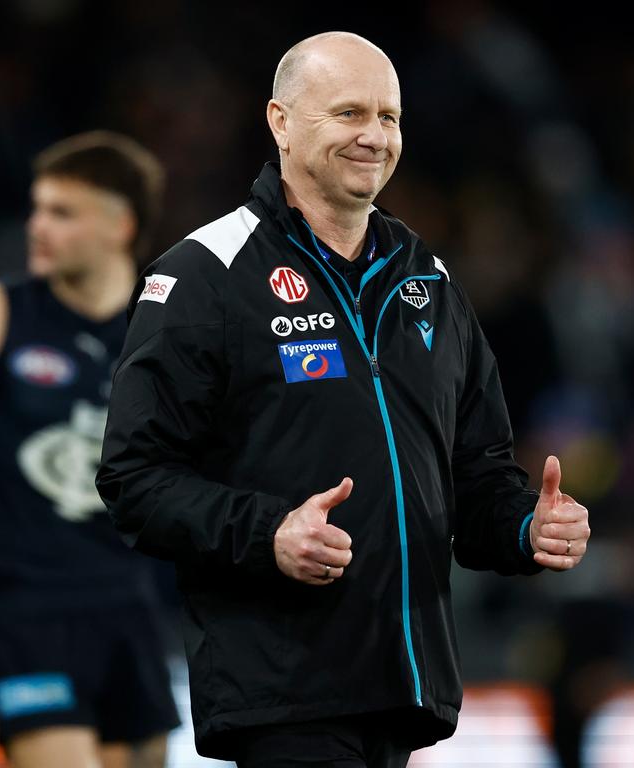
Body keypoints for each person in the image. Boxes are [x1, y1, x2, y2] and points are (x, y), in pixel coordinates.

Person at [97, 31, 591, 767]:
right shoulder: (206, 275)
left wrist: (525, 528)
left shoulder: (429, 281)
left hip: (404, 690)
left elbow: (474, 475)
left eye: (389, 118)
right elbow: (134, 478)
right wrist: (269, 534)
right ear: (281, 122)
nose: (374, 137)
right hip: (284, 693)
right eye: (349, 113)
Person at [0, 131, 180, 768]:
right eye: (37, 209)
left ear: (119, 224)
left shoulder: (170, 332)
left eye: (62, 212)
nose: (36, 227)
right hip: (25, 606)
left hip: (133, 604)